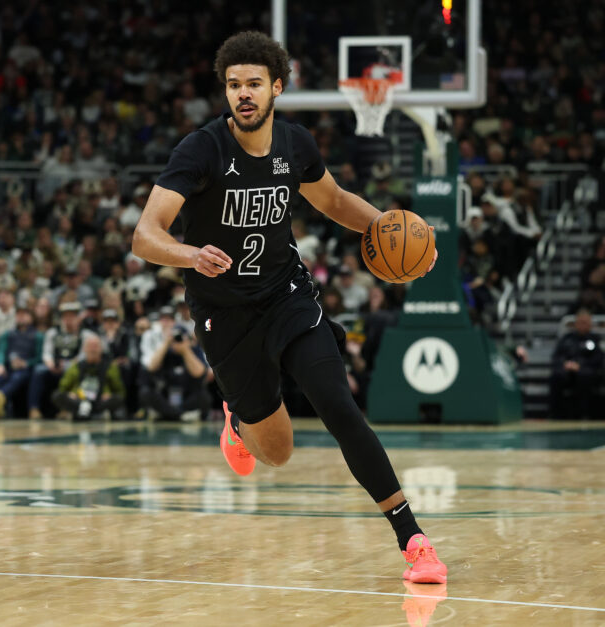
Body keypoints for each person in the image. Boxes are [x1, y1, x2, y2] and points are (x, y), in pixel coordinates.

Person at [131, 31, 445, 583]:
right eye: (233, 86)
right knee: (276, 453)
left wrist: (395, 232)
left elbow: (336, 202)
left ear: (277, 86)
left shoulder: (295, 146)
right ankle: (237, 415)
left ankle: (414, 541)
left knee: (338, 406)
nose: (243, 94)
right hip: (224, 314)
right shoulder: (201, 150)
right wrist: (188, 253)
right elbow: (144, 235)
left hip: (287, 297)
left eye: (253, 83)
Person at [137, 306, 211, 422]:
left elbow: (200, 373)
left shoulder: (188, 342)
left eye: (170, 319)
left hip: (186, 392)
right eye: (163, 319)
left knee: (205, 397)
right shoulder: (158, 343)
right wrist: (166, 343)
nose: (167, 323)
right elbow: (151, 367)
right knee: (145, 392)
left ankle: (167, 414)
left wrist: (185, 350)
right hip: (165, 392)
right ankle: (180, 414)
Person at [28, 301, 97, 419]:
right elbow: (47, 353)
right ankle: (34, 408)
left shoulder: (85, 334)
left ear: (78, 318)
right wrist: (50, 364)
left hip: (73, 366)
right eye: (66, 316)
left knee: (76, 371)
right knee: (39, 371)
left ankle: (67, 409)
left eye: (72, 316)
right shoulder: (52, 332)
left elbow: (83, 356)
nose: (69, 319)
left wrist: (68, 364)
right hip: (53, 366)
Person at [0, 306, 43, 419]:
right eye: (18, 314)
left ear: (31, 318)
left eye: (24, 314)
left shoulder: (38, 336)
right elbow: (0, 351)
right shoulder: (7, 334)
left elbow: (39, 357)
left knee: (17, 377)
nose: (21, 317)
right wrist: (0, 364)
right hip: (9, 366)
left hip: (26, 369)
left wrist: (26, 363)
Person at [52, 335, 125, 420]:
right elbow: (63, 387)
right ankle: (93, 413)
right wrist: (70, 394)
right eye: (90, 346)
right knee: (57, 395)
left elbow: (120, 390)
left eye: (96, 346)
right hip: (80, 399)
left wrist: (109, 395)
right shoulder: (76, 366)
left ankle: (83, 413)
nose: (93, 349)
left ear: (101, 349)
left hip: (100, 400)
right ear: (84, 349)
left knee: (118, 399)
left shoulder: (110, 367)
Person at [549, 309, 605, 419]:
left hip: (586, 370)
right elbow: (556, 356)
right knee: (556, 376)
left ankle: (583, 413)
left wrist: (580, 365)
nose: (582, 325)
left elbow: (599, 358)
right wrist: (565, 364)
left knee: (584, 376)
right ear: (575, 324)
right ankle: (555, 413)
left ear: (590, 324)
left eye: (585, 322)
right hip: (567, 369)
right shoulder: (567, 338)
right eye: (580, 322)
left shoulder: (595, 339)